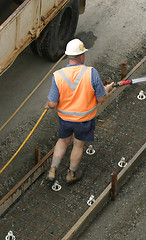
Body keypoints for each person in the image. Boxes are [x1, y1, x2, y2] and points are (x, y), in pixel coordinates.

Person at [45, 39, 114, 184]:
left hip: (65, 119)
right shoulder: (91, 73)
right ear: (81, 55)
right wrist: (107, 89)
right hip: (84, 120)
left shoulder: (58, 75)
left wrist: (48, 104)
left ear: (68, 56)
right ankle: (71, 174)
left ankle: (52, 171)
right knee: (78, 145)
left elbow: (52, 103)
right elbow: (101, 99)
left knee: (63, 141)